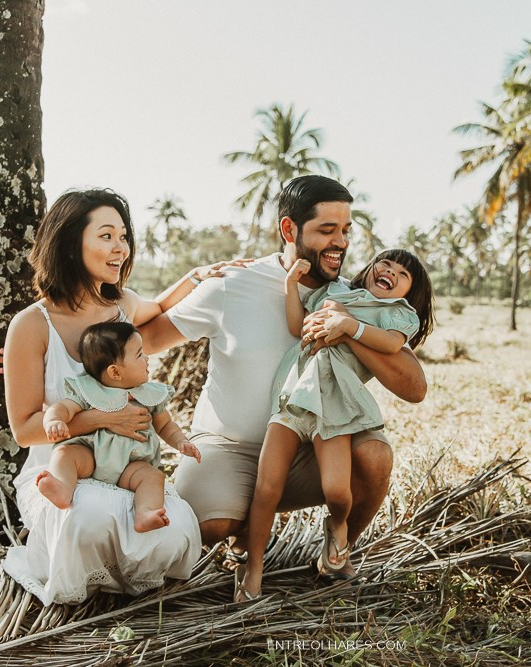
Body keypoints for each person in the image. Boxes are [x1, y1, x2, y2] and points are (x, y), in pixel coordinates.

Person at [139, 175, 428, 585]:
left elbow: (414, 386)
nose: (341, 242)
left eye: (346, 230)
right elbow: (147, 340)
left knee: (376, 455)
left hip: (315, 448)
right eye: (327, 230)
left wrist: (346, 328)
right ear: (289, 229)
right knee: (210, 526)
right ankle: (241, 531)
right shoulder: (233, 284)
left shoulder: (354, 299)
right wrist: (58, 342)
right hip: (229, 450)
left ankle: (337, 549)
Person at [0, 188, 240, 605]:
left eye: (124, 237)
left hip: (127, 466)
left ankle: (127, 589)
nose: (120, 249)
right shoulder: (30, 325)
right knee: (89, 517)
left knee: (177, 523)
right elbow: (23, 431)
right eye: (107, 236)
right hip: (64, 468)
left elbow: (160, 305)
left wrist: (196, 277)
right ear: (70, 242)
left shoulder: (122, 307)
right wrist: (101, 419)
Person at [236, 248, 435, 601]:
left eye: (402, 274)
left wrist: (350, 326)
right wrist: (290, 284)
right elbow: (298, 327)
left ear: (410, 293)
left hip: (335, 407)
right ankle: (252, 569)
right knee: (267, 488)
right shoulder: (335, 293)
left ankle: (338, 526)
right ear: (371, 267)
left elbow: (391, 344)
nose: (389, 271)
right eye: (384, 263)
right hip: (294, 399)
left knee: (338, 491)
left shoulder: (396, 315)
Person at [39, 321, 202, 533]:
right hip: (91, 455)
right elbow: (63, 408)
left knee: (153, 476)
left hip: (131, 465)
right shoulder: (89, 390)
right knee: (65, 453)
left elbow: (166, 425)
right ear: (115, 372)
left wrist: (181, 441)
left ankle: (145, 512)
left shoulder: (149, 394)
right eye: (139, 354)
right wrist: (54, 420)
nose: (147, 358)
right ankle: (62, 488)